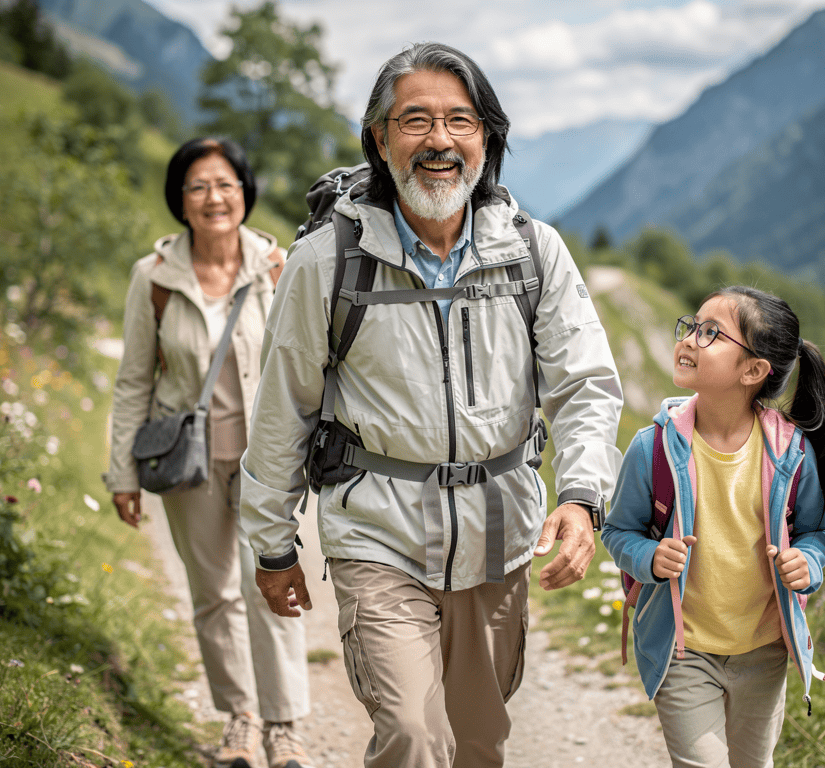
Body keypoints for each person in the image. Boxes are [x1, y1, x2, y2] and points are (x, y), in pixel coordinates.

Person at [239, 42, 623, 768]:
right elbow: (282, 406)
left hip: (498, 538)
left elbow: (585, 384)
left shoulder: (533, 254)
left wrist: (581, 495)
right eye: (415, 121)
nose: (440, 140)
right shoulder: (327, 262)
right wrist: (271, 542)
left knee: (478, 741)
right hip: (376, 535)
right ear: (380, 141)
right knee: (414, 737)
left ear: (487, 139)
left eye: (461, 121)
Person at [104, 137, 315, 768]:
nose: (213, 198)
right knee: (213, 595)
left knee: (269, 587)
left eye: (224, 184)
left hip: (266, 462)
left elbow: (307, 364)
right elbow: (134, 379)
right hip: (186, 462)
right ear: (180, 200)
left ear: (245, 192)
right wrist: (123, 472)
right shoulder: (155, 278)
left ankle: (284, 728)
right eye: (198, 187)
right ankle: (240, 719)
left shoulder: (279, 268)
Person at [603, 285, 825, 768]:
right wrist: (648, 558)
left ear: (752, 371)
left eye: (711, 333)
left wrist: (806, 562)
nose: (688, 339)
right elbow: (618, 531)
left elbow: (818, 533)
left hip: (764, 654)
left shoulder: (791, 454)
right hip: (683, 653)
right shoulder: (653, 448)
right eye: (692, 325)